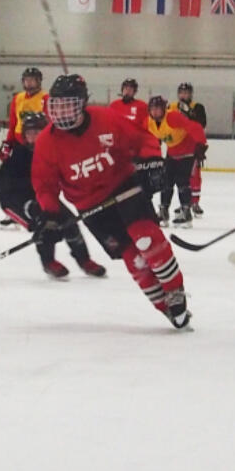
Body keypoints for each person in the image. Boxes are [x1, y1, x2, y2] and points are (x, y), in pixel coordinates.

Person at [31, 74, 192, 329]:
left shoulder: (105, 119)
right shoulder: (46, 142)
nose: (60, 112)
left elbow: (141, 140)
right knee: (134, 258)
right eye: (57, 106)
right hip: (91, 206)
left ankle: (175, 291)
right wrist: (49, 216)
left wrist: (152, 162)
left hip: (123, 186)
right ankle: (164, 306)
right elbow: (44, 185)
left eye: (67, 105)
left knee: (146, 238)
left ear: (82, 104)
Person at [0, 111, 106, 279]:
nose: (34, 137)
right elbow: (7, 189)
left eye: (38, 133)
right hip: (14, 200)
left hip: (42, 196)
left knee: (69, 221)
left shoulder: (51, 152)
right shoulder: (18, 155)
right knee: (44, 224)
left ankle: (84, 261)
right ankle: (48, 262)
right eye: (30, 134)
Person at [147, 95, 207, 228]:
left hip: (187, 150)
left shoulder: (172, 117)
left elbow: (194, 127)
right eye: (153, 109)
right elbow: (149, 137)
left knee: (182, 181)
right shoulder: (150, 122)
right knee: (166, 181)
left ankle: (186, 212)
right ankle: (163, 212)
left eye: (158, 109)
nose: (155, 112)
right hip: (172, 152)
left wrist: (201, 145)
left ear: (163, 109)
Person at [0, 67, 47, 229]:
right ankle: (14, 210)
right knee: (13, 179)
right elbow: (14, 124)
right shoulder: (18, 98)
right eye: (26, 80)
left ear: (39, 81)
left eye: (32, 80)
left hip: (38, 147)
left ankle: (38, 211)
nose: (29, 83)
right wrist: (8, 143)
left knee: (34, 181)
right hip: (20, 145)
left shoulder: (46, 98)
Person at [170, 82, 208, 216]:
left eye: (186, 93)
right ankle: (184, 204)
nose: (184, 95)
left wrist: (190, 115)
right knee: (180, 178)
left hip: (192, 146)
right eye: (181, 92)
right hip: (176, 146)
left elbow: (202, 124)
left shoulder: (197, 107)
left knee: (194, 175)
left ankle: (195, 202)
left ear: (191, 94)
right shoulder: (172, 107)